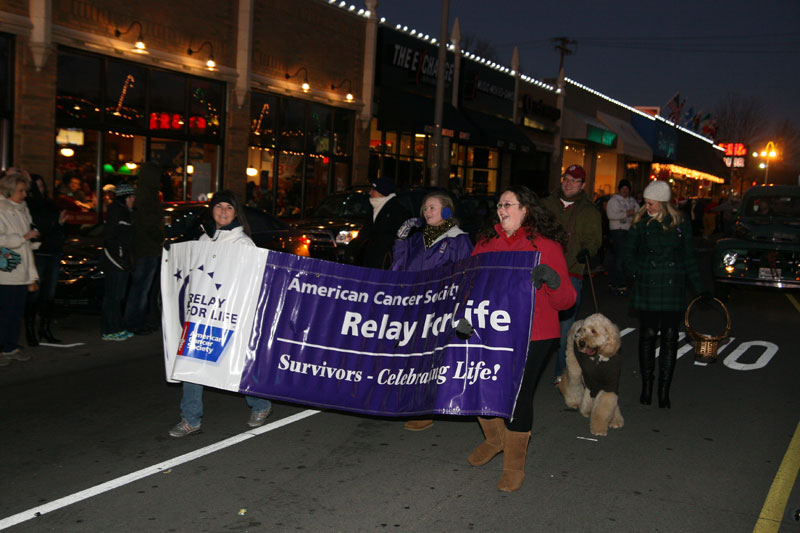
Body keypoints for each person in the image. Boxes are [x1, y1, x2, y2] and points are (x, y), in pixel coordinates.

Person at [467, 185, 576, 492]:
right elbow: (470, 284)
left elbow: (566, 301)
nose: (502, 209)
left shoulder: (546, 246)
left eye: (509, 204)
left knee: (516, 397)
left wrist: (552, 282)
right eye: (499, 204)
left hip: (534, 334)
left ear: (526, 209)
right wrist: (463, 317)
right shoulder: (487, 242)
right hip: (491, 328)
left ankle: (514, 465)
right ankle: (495, 439)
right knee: (479, 386)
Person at [169, 190, 273, 437]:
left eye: (229, 207)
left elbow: (253, 280)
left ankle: (260, 403)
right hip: (204, 315)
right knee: (191, 363)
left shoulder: (243, 243)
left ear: (236, 213)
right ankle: (190, 419)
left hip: (231, 315)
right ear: (211, 210)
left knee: (234, 363)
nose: (223, 212)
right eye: (219, 206)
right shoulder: (204, 240)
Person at [391, 191, 473, 431]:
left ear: (447, 211)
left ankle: (426, 409)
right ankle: (412, 401)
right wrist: (401, 240)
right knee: (413, 356)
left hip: (441, 310)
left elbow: (467, 276)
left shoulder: (459, 240)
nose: (427, 212)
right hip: (416, 307)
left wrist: (461, 310)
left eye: (433, 208)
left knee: (432, 359)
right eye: (425, 208)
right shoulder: (417, 240)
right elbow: (399, 270)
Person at [624, 180, 705, 409]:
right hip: (648, 285)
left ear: (662, 202)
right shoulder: (640, 223)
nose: (647, 206)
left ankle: (664, 390)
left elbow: (689, 257)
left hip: (672, 286)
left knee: (670, 337)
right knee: (648, 335)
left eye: (651, 203)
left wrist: (701, 288)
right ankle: (647, 386)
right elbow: (627, 254)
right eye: (646, 202)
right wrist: (636, 272)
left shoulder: (680, 223)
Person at [541, 164, 602, 384]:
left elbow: (594, 239)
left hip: (571, 275)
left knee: (566, 328)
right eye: (566, 178)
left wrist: (588, 250)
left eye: (574, 180)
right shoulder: (546, 204)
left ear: (583, 185)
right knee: (538, 325)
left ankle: (561, 374)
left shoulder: (589, 210)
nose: (569, 183)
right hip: (543, 274)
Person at [0, 170, 40, 364]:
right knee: (5, 311)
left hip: (21, 268)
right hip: (5, 270)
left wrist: (32, 240)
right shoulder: (1, 209)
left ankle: (10, 346)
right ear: (9, 191)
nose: (25, 195)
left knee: (16, 312)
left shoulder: (22, 209)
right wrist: (23, 238)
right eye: (21, 191)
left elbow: (25, 234)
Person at [25, 174, 67, 346]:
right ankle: (30, 331)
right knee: (34, 294)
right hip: (40, 254)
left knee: (49, 295)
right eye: (37, 187)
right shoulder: (29, 206)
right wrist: (56, 225)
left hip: (54, 253)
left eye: (42, 186)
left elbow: (58, 230)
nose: (40, 190)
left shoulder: (51, 204)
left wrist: (59, 226)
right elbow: (41, 229)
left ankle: (44, 329)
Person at [122, 162, 164, 335]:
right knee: (140, 289)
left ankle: (136, 321)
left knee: (140, 289)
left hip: (145, 248)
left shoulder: (144, 194)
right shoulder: (148, 196)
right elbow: (148, 224)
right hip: (146, 249)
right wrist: (159, 239)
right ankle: (134, 323)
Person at [346, 177, 411, 269]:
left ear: (382, 192)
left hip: (386, 261)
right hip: (372, 258)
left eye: (374, 190)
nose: (370, 193)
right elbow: (366, 231)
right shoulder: (374, 208)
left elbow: (398, 237)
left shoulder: (397, 210)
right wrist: (352, 248)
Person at [101, 182, 136, 341]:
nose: (133, 199)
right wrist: (119, 260)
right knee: (113, 297)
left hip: (122, 261)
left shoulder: (126, 212)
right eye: (130, 196)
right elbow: (111, 239)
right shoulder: (117, 212)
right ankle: (110, 330)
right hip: (116, 262)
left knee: (118, 297)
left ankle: (117, 327)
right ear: (124, 198)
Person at [605, 179, 639, 294]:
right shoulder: (614, 201)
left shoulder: (632, 201)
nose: (625, 190)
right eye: (623, 188)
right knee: (620, 257)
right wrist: (626, 214)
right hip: (617, 231)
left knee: (625, 256)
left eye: (627, 188)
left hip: (629, 231)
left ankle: (616, 281)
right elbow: (611, 215)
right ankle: (618, 282)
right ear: (619, 189)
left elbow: (639, 212)